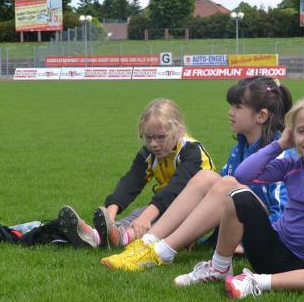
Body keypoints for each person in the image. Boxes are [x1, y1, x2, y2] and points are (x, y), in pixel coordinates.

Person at [173, 93, 304, 299]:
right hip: (270, 250)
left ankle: (257, 282)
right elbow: (243, 175)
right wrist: (280, 144)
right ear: (292, 134)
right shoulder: (291, 165)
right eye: (302, 131)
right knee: (238, 196)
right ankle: (219, 267)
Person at [99, 76, 293, 271]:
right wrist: (197, 231)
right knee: (207, 177)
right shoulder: (239, 149)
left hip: (268, 239)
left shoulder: (280, 156)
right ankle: (146, 243)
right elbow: (218, 200)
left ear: (261, 116)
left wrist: (244, 243)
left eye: (237, 107)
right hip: (239, 227)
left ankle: (161, 251)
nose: (230, 112)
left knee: (226, 183)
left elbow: (284, 214)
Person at [58, 98, 214, 248]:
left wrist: (147, 217)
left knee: (152, 216)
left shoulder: (191, 151)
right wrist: (109, 214)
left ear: (179, 131)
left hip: (199, 211)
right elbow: (131, 182)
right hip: (168, 204)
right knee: (140, 213)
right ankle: (99, 235)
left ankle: (121, 238)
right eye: (148, 137)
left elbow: (175, 189)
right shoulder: (149, 153)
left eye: (160, 137)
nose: (153, 144)